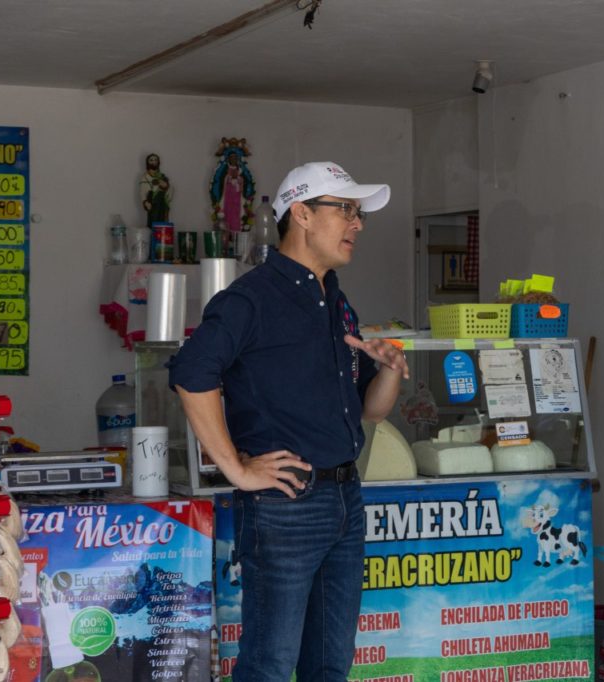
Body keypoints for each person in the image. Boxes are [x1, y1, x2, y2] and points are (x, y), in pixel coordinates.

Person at [168, 160, 405, 682]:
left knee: (330, 664)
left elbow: (370, 409)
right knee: (270, 666)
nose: (357, 224)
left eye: (359, 213)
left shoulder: (333, 298)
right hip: (285, 504)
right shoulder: (250, 298)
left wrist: (389, 369)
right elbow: (191, 372)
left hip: (345, 496)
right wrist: (236, 468)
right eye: (345, 209)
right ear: (301, 213)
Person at [139, 153, 172, 227]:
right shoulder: (145, 177)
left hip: (162, 203)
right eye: (151, 160)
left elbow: (168, 189)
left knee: (162, 222)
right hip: (153, 203)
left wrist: (165, 185)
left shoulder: (162, 176)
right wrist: (145, 202)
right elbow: (142, 191)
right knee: (153, 221)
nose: (154, 162)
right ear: (147, 162)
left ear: (158, 162)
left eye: (155, 160)